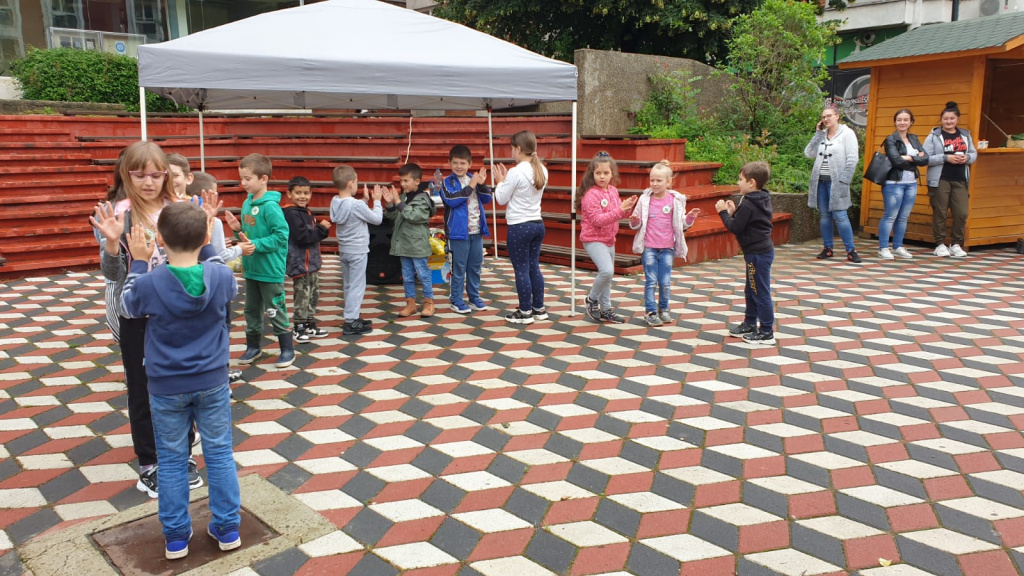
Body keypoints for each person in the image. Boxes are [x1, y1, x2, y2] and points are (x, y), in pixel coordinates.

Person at [121, 201, 242, 560]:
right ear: (205, 238)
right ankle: (228, 527)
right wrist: (208, 243)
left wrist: (139, 262)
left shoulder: (151, 282)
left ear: (159, 239)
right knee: (219, 453)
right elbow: (228, 288)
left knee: (172, 460)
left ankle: (176, 537)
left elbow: (127, 306)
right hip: (213, 380)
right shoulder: (221, 276)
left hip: (166, 385)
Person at [89, 141, 200, 498]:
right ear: (127, 175)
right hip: (137, 314)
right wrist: (111, 243)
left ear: (166, 175)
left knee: (182, 383)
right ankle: (150, 463)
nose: (148, 182)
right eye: (140, 175)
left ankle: (183, 453)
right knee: (143, 387)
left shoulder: (177, 208)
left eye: (156, 174)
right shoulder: (119, 214)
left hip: (177, 311)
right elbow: (112, 275)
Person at [223, 154, 293, 368]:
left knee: (275, 308)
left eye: (247, 178)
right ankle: (253, 347)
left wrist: (255, 244)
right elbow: (248, 235)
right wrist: (237, 230)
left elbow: (281, 236)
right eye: (241, 178)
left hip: (270, 269)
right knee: (251, 310)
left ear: (263, 179)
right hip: (251, 269)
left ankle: (287, 349)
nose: (243, 183)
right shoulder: (247, 203)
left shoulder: (271, 207)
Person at [187, 171, 243, 383]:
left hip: (190, 279)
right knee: (221, 327)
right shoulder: (214, 222)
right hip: (213, 279)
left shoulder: (180, 216)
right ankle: (221, 370)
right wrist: (241, 249)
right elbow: (219, 255)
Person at [628, 161, 699, 327]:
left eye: (659, 180)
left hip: (667, 247)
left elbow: (682, 223)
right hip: (649, 247)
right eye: (652, 180)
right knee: (651, 281)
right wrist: (634, 221)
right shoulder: (644, 200)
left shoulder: (675, 200)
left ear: (668, 182)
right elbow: (636, 223)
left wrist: (690, 217)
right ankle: (650, 312)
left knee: (665, 282)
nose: (654, 184)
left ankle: (664, 309)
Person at [717, 162, 776, 346]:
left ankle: (766, 332)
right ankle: (750, 323)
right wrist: (734, 213)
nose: (738, 182)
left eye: (740, 179)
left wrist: (723, 213)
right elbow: (746, 222)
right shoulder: (760, 198)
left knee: (760, 292)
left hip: (757, 254)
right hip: (759, 252)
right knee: (751, 290)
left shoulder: (749, 203)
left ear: (751, 182)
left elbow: (735, 227)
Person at [494, 131, 548, 325]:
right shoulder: (542, 169)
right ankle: (539, 308)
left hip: (519, 225)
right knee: (534, 266)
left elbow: (501, 199)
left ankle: (525, 311)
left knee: (521, 269)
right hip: (537, 223)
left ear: (518, 149)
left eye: (512, 148)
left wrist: (500, 182)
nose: (511, 152)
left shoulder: (516, 172)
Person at [578, 152, 637, 323]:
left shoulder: (612, 191)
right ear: (592, 174)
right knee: (607, 271)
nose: (602, 176)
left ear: (612, 174)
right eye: (598, 173)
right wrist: (620, 210)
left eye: (606, 173)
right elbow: (598, 220)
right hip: (593, 239)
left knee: (607, 277)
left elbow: (616, 213)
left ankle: (606, 309)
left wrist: (627, 209)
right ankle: (592, 299)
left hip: (609, 239)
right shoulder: (591, 195)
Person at [329, 165, 383, 335]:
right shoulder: (355, 205)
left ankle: (353, 315)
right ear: (351, 183)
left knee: (348, 284)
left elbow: (352, 212)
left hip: (344, 249)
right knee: (357, 286)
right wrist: (377, 201)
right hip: (358, 250)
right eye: (357, 182)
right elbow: (377, 219)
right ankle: (351, 320)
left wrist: (364, 201)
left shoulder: (335, 201)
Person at [805, 103, 861, 263]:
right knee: (824, 216)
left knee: (840, 215)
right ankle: (828, 248)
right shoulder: (822, 135)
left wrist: (844, 180)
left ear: (837, 116)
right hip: (820, 182)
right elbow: (809, 153)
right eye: (823, 117)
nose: (826, 119)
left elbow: (852, 159)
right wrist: (818, 134)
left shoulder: (847, 134)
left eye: (829, 115)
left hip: (838, 182)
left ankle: (851, 250)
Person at [440, 144, 492, 314]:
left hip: (476, 231)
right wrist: (471, 186)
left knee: (475, 266)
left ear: (469, 164)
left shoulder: (474, 179)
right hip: (457, 234)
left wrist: (481, 185)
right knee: (458, 268)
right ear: (449, 163)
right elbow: (452, 200)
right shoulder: (447, 182)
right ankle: (456, 300)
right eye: (455, 162)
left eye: (463, 163)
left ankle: (474, 297)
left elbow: (487, 199)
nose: (459, 166)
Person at [924, 101, 977, 258]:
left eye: (952, 118)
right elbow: (925, 158)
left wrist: (967, 158)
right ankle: (939, 244)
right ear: (941, 119)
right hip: (940, 179)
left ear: (958, 119)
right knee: (940, 212)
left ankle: (956, 244)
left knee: (962, 212)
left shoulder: (965, 135)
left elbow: (974, 153)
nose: (948, 121)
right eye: (945, 119)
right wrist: (946, 158)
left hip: (960, 178)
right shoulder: (934, 136)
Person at [383, 163, 437, 318]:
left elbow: (414, 216)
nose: (403, 184)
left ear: (417, 181)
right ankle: (410, 303)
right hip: (404, 245)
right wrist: (390, 204)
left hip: (417, 245)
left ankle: (429, 303)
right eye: (401, 181)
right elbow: (393, 216)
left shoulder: (423, 199)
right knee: (406, 276)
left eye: (406, 181)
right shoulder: (402, 197)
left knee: (423, 274)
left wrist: (398, 203)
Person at [282, 176, 331, 341]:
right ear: (289, 194)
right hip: (300, 263)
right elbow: (303, 237)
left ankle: (310, 324)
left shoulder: (307, 212)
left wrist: (319, 230)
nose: (302, 196)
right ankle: (299, 327)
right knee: (302, 296)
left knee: (313, 294)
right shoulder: (291, 213)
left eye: (306, 193)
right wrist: (322, 229)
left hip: (312, 263)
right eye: (298, 193)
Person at [878, 109, 929, 260]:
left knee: (903, 217)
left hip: (911, 183)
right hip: (894, 183)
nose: (902, 122)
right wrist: (915, 158)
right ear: (895, 122)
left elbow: (926, 159)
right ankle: (883, 248)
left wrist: (909, 158)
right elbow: (896, 161)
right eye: (899, 120)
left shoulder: (914, 138)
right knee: (890, 215)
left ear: (911, 122)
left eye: (906, 120)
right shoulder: (891, 139)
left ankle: (898, 246)